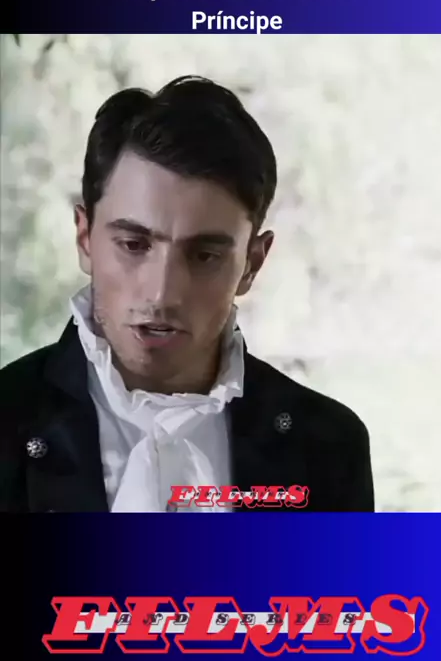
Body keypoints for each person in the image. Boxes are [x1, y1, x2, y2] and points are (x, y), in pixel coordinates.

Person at [0, 75, 374, 512]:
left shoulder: (327, 448)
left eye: (204, 255)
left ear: (252, 263)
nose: (162, 293)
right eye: (133, 245)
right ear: (85, 238)